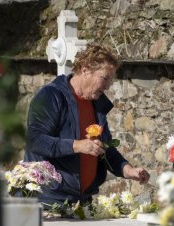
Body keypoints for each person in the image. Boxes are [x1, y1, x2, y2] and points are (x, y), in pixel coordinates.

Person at [24, 42, 150, 206]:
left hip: (82, 202)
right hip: (49, 200)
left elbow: (104, 149)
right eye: (104, 78)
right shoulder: (51, 95)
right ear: (85, 69)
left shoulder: (96, 103)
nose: (107, 86)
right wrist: (76, 145)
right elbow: (35, 140)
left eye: (110, 81)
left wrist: (127, 170)